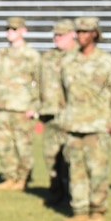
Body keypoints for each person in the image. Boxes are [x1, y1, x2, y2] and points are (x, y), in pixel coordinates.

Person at [56, 16, 111, 221]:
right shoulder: (68, 61)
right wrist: (62, 118)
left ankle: (97, 210)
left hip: (97, 124)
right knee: (76, 170)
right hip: (73, 123)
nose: (81, 36)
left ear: (95, 34)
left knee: (97, 170)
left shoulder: (106, 62)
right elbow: (63, 93)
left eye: (85, 32)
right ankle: (79, 210)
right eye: (79, 32)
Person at [0, 16, 39, 190]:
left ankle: (23, 178)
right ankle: (10, 176)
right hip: (3, 106)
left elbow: (40, 81)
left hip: (22, 106)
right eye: (8, 29)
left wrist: (34, 106)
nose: (10, 32)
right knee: (5, 145)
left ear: (23, 31)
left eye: (14, 29)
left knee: (22, 145)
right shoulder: (1, 54)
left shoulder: (31, 55)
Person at [39, 18, 77, 207]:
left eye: (61, 34)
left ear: (72, 34)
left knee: (71, 158)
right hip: (50, 113)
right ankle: (56, 192)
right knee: (51, 157)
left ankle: (73, 196)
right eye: (55, 34)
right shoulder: (48, 57)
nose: (57, 38)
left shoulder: (79, 56)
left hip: (73, 117)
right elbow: (38, 83)